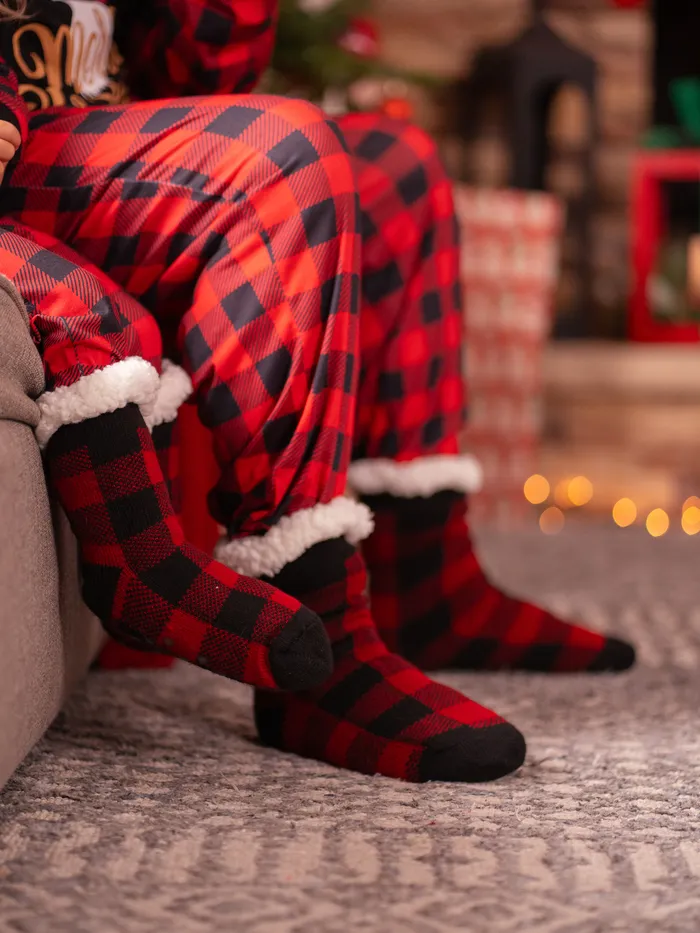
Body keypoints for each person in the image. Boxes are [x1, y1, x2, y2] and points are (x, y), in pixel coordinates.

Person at [0, 0, 633, 784]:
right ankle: (318, 618)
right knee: (280, 151)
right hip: (19, 152)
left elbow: (208, 80)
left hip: (102, 141)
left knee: (393, 166)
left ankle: (425, 576)